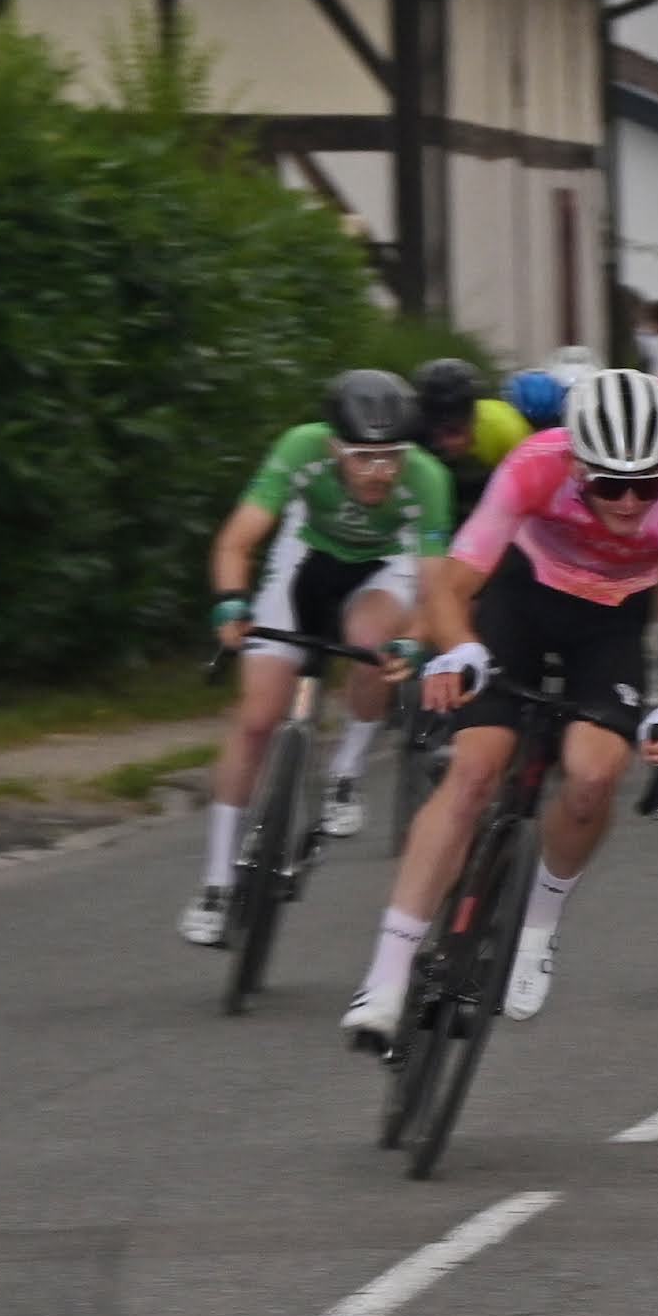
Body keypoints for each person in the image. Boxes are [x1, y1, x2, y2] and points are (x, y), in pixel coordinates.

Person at [343, 369, 658, 1044]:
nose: (629, 501)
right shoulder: (535, 463)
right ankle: (385, 977)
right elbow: (452, 586)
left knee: (592, 778)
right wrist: (462, 649)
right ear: (576, 463)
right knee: (474, 772)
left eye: (646, 485)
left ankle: (537, 930)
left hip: (613, 620)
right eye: (609, 484)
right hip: (524, 599)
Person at [185, 370, 448, 945]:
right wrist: (231, 603)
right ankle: (215, 884)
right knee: (257, 719)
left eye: (391, 458)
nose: (379, 472)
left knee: (372, 645)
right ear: (333, 447)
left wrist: (413, 640)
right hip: (308, 558)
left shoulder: (427, 478)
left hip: (383, 569)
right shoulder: (300, 448)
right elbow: (236, 540)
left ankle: (345, 773)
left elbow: (437, 588)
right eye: (362, 458)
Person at [408, 355, 526, 531]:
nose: (446, 443)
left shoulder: (506, 430)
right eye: (437, 432)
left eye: (454, 431)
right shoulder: (410, 430)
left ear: (474, 416)